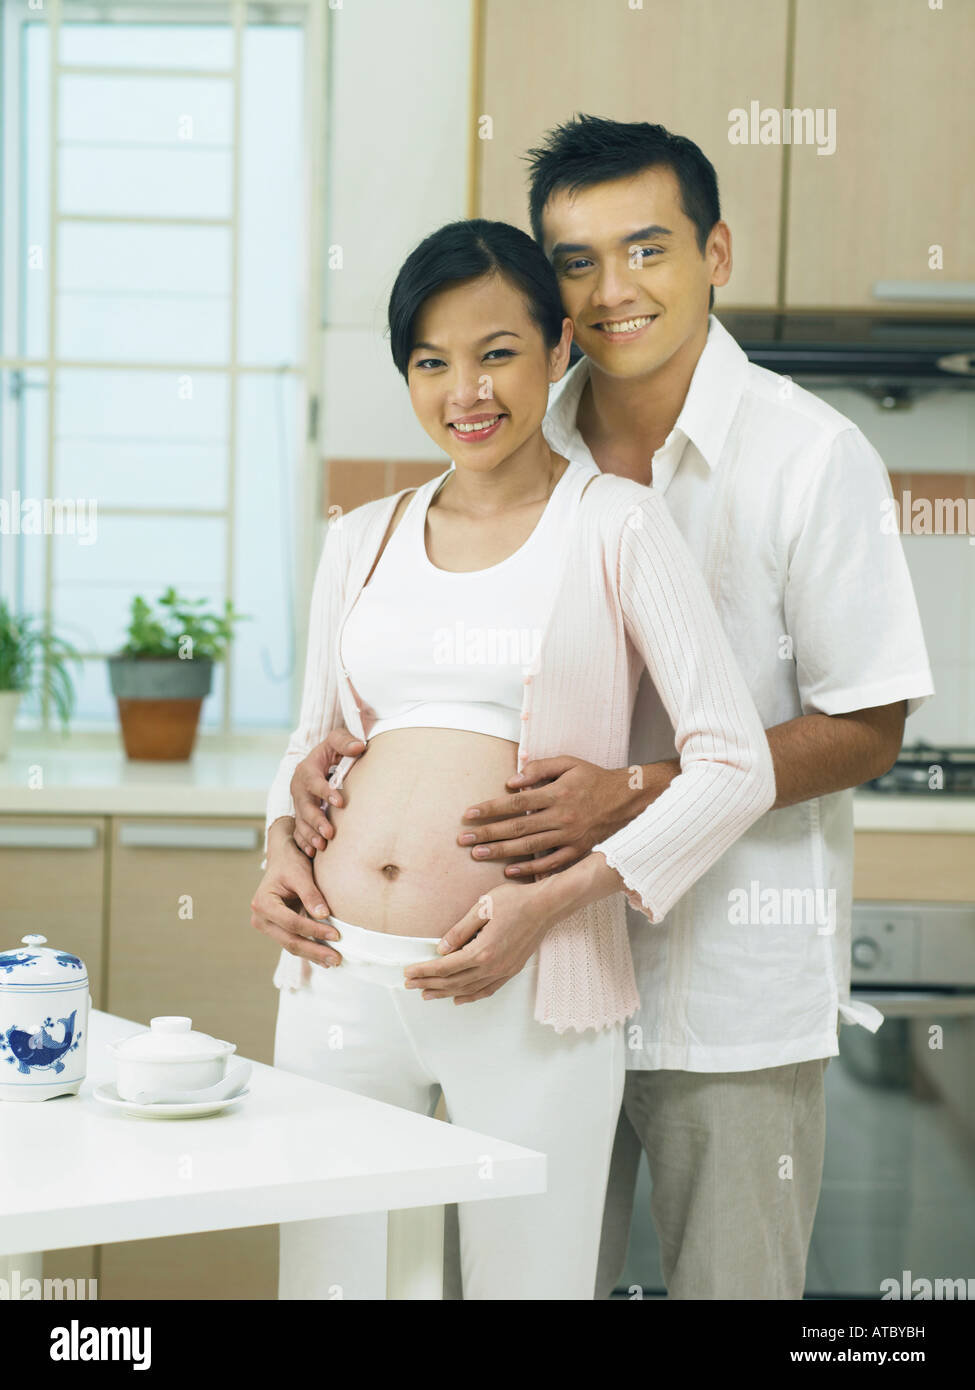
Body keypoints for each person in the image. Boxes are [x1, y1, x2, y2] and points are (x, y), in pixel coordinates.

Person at [276, 118, 935, 1300]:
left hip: (720, 981)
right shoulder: (513, 429)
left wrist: (628, 798)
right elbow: (346, 721)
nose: (614, 288)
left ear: (716, 251)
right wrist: (291, 822)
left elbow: (870, 728)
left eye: (647, 248)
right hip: (519, 985)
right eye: (577, 260)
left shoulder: (808, 456)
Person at [253, 216, 776, 1300]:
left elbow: (736, 763)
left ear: (558, 350)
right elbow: (309, 747)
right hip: (338, 979)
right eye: (431, 362)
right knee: (331, 1287)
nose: (466, 390)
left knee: (523, 1288)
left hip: (533, 982)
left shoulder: (617, 526)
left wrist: (553, 904)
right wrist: (276, 844)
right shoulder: (364, 538)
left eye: (496, 352)